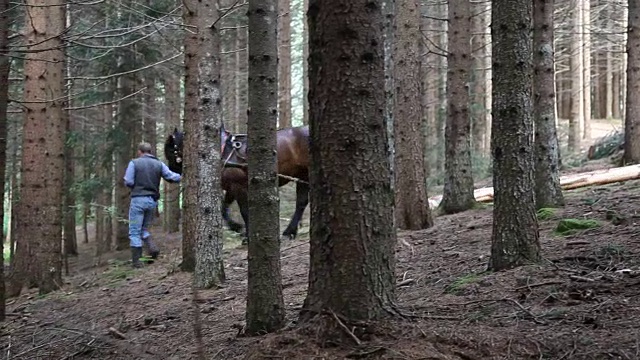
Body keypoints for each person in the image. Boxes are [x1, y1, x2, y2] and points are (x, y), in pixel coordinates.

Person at [124, 142, 182, 268]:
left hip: (138, 200)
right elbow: (172, 177)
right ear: (150, 152)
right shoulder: (158, 164)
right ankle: (152, 248)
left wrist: (134, 186)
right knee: (143, 229)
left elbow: (128, 181)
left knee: (134, 231)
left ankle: (137, 262)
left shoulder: (134, 163)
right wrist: (184, 175)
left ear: (140, 151)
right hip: (152, 201)